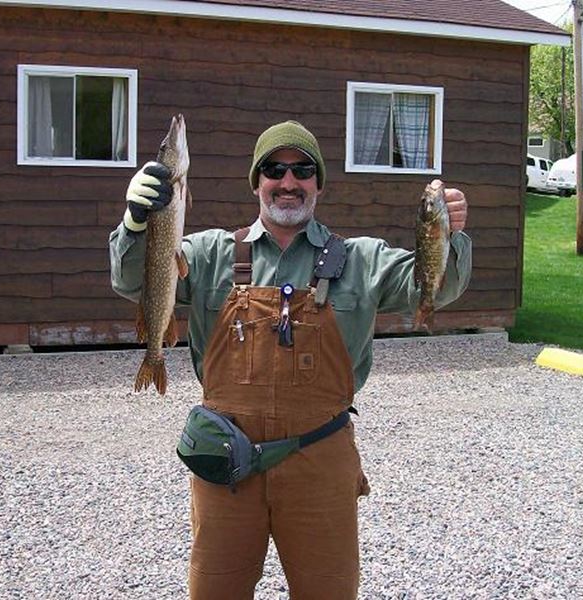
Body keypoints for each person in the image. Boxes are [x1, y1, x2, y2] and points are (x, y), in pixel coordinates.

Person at [109, 120, 471, 599]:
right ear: (257, 181)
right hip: (226, 463)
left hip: (320, 465)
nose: (288, 181)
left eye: (302, 170)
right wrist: (137, 221)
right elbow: (133, 282)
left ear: (318, 183)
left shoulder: (362, 260)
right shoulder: (209, 252)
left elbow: (434, 287)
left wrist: (450, 233)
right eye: (274, 169)